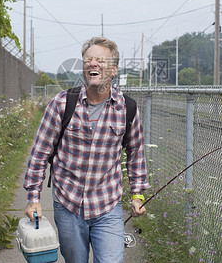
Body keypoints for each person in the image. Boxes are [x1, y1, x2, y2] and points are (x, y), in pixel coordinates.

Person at [24, 36, 150, 263]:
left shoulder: (127, 108)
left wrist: (138, 194)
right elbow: (40, 153)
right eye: (88, 60)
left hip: (107, 205)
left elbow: (136, 154)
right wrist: (33, 198)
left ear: (113, 70)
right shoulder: (62, 103)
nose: (93, 64)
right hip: (68, 203)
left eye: (100, 60)